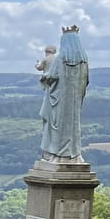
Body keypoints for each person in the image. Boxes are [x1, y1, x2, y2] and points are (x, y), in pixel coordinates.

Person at [38, 25, 88, 161]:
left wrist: (43, 77)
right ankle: (74, 154)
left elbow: (51, 76)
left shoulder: (62, 58)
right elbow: (85, 81)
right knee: (73, 127)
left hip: (60, 101)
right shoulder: (84, 60)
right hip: (74, 103)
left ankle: (57, 154)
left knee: (56, 126)